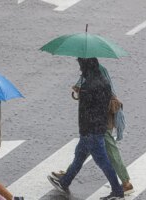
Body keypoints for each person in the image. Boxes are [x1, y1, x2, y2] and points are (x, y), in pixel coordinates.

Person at [51, 62, 134, 195]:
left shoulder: (91, 80)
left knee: (106, 154)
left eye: (80, 63)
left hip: (95, 127)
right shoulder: (96, 76)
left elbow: (91, 107)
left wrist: (83, 93)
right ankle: (66, 178)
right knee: (81, 153)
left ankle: (123, 184)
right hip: (95, 126)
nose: (79, 66)